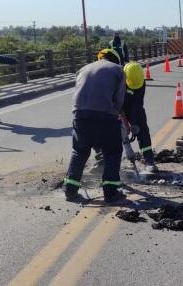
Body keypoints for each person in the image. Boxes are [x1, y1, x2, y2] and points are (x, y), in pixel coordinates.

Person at [63, 48, 127, 205]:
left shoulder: (83, 69)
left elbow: (80, 90)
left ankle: (70, 190)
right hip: (105, 117)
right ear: (116, 60)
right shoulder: (118, 70)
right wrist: (118, 114)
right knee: (112, 152)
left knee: (79, 151)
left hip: (80, 115)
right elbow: (119, 100)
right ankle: (111, 193)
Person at [122, 62, 157, 175]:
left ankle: (149, 161)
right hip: (116, 108)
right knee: (112, 134)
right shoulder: (118, 81)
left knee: (143, 130)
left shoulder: (140, 82)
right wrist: (123, 122)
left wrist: (135, 123)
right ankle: (106, 163)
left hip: (134, 108)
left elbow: (137, 104)